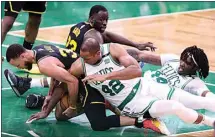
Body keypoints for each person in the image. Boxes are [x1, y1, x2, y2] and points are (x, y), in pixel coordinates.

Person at [6, 43, 170, 135]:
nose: (21, 67)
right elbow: (59, 75)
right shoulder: (42, 48)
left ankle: (143, 120)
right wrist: (49, 97)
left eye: (18, 64)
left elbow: (72, 82)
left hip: (87, 82)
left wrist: (73, 105)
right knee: (59, 116)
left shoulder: (43, 65)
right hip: (86, 74)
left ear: (21, 56)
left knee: (98, 124)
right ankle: (107, 104)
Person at [4, 5, 155, 97]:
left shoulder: (81, 25)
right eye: (101, 20)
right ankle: (38, 94)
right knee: (74, 81)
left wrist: (136, 44)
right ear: (91, 19)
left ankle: (28, 83)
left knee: (131, 53)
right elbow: (98, 60)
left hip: (68, 61)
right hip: (77, 67)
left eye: (106, 20)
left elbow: (108, 35)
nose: (104, 23)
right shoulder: (93, 36)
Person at [68, 38, 215, 128]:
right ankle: (211, 123)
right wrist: (69, 103)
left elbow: (136, 70)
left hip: (146, 85)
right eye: (82, 57)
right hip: (132, 103)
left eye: (86, 58)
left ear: (98, 53)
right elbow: (66, 78)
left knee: (199, 101)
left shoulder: (112, 49)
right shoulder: (79, 66)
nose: (83, 61)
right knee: (176, 107)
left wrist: (105, 76)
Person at [126, 45, 215, 99]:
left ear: (196, 68)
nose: (182, 63)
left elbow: (207, 95)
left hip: (149, 97)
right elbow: (139, 55)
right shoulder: (173, 59)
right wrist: (117, 51)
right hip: (138, 84)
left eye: (187, 62)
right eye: (182, 58)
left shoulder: (195, 83)